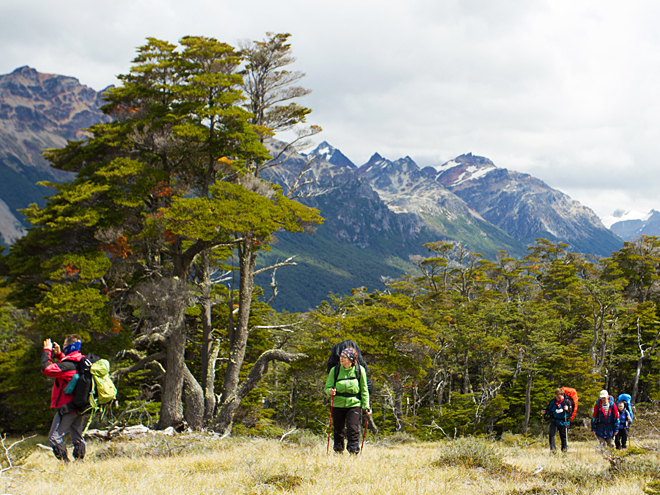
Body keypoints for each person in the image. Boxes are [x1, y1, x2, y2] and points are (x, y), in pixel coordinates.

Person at [41, 334, 86, 462]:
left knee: (54, 438)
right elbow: (67, 367)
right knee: (77, 437)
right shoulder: (80, 361)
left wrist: (47, 351)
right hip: (78, 406)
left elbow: (47, 369)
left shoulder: (68, 365)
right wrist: (60, 355)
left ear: (70, 347)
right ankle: (80, 463)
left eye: (65, 346)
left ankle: (65, 464)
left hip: (67, 407)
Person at [325, 347, 371, 454]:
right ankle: (338, 450)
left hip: (354, 404)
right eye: (341, 356)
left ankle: (353, 451)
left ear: (351, 359)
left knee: (353, 429)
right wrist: (330, 392)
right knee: (338, 429)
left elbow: (364, 390)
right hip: (338, 404)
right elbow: (327, 387)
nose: (341, 359)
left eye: (344, 357)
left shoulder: (360, 370)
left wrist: (367, 406)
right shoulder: (335, 370)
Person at [541, 388, 573, 453]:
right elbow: (549, 410)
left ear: (562, 395)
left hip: (564, 422)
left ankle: (564, 451)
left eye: (559, 397)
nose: (557, 398)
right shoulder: (553, 401)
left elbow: (570, 414)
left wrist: (567, 409)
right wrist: (545, 412)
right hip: (555, 421)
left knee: (563, 437)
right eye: (556, 397)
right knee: (551, 434)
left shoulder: (567, 402)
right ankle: (553, 450)